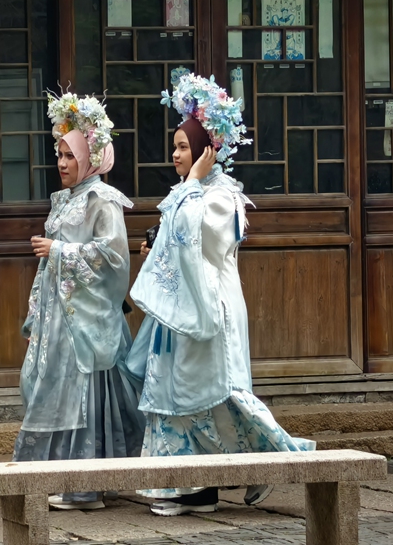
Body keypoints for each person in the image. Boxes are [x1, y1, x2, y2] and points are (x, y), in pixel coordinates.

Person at [126, 73, 314, 517]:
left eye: (184, 147)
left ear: (207, 151)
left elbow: (200, 242)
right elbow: (176, 240)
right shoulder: (189, 193)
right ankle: (187, 486)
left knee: (216, 395)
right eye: (174, 147)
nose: (175, 155)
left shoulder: (222, 197)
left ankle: (275, 461)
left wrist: (191, 187)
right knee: (174, 397)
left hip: (211, 310)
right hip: (180, 313)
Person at [14, 92, 145, 512]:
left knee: (81, 393)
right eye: (59, 154)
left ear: (90, 156)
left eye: (70, 155)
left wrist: (59, 251)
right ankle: (60, 477)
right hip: (59, 313)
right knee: (51, 389)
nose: (63, 163)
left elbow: (113, 258)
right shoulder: (65, 199)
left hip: (85, 315)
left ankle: (84, 485)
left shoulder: (102, 200)